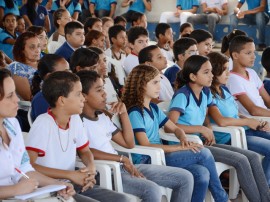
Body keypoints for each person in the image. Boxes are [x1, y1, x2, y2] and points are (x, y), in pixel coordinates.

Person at [78, 70, 194, 202]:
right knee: (151, 190)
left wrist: (123, 113)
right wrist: (121, 158)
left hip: (123, 166)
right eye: (99, 90)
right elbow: (84, 151)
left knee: (185, 177)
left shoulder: (103, 117)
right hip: (107, 171)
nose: (105, 94)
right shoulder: (78, 121)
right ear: (83, 96)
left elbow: (129, 143)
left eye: (103, 88)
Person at [169, 54, 270, 202]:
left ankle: (265, 197)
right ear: (193, 76)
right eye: (206, 72)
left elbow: (206, 114)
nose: (211, 75)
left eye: (211, 71)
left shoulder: (205, 92)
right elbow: (170, 126)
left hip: (202, 143)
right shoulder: (182, 95)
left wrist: (207, 127)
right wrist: (203, 129)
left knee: (252, 157)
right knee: (241, 160)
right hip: (185, 146)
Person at [122, 64, 229, 202]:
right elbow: (146, 145)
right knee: (203, 153)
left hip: (162, 155)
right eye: (155, 82)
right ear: (141, 85)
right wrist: (179, 147)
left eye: (159, 82)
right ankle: (222, 198)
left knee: (202, 173)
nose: (159, 87)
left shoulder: (153, 108)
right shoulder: (135, 112)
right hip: (147, 159)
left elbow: (175, 128)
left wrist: (182, 137)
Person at [25, 71, 131, 202]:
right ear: (62, 100)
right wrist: (70, 175)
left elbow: (85, 151)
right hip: (48, 188)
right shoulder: (43, 123)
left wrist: (91, 169)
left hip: (72, 182)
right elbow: (29, 166)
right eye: (78, 94)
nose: (83, 98)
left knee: (122, 199)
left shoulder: (75, 119)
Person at [0, 69, 76, 201]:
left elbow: (24, 169)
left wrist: (58, 184)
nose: (16, 99)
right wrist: (15, 189)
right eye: (9, 95)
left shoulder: (11, 124)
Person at [207, 52, 270, 192]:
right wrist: (248, 122)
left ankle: (264, 186)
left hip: (243, 130)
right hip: (229, 137)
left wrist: (256, 122)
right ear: (214, 71)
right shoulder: (208, 94)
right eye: (224, 69)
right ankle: (263, 190)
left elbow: (236, 114)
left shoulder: (224, 89)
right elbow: (221, 121)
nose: (228, 73)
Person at [226, 35, 270, 116]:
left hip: (266, 118)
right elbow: (253, 110)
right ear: (235, 55)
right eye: (248, 53)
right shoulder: (232, 79)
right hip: (255, 123)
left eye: (254, 52)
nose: (254, 56)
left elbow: (268, 101)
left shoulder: (252, 72)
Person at [31, 54, 69, 121]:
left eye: (69, 71)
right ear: (49, 76)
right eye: (64, 72)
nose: (69, 75)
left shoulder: (62, 92)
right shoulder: (41, 100)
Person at [7, 31, 40, 101]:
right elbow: (29, 97)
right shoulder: (16, 68)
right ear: (22, 50)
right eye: (32, 47)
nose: (37, 50)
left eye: (38, 46)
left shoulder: (42, 63)